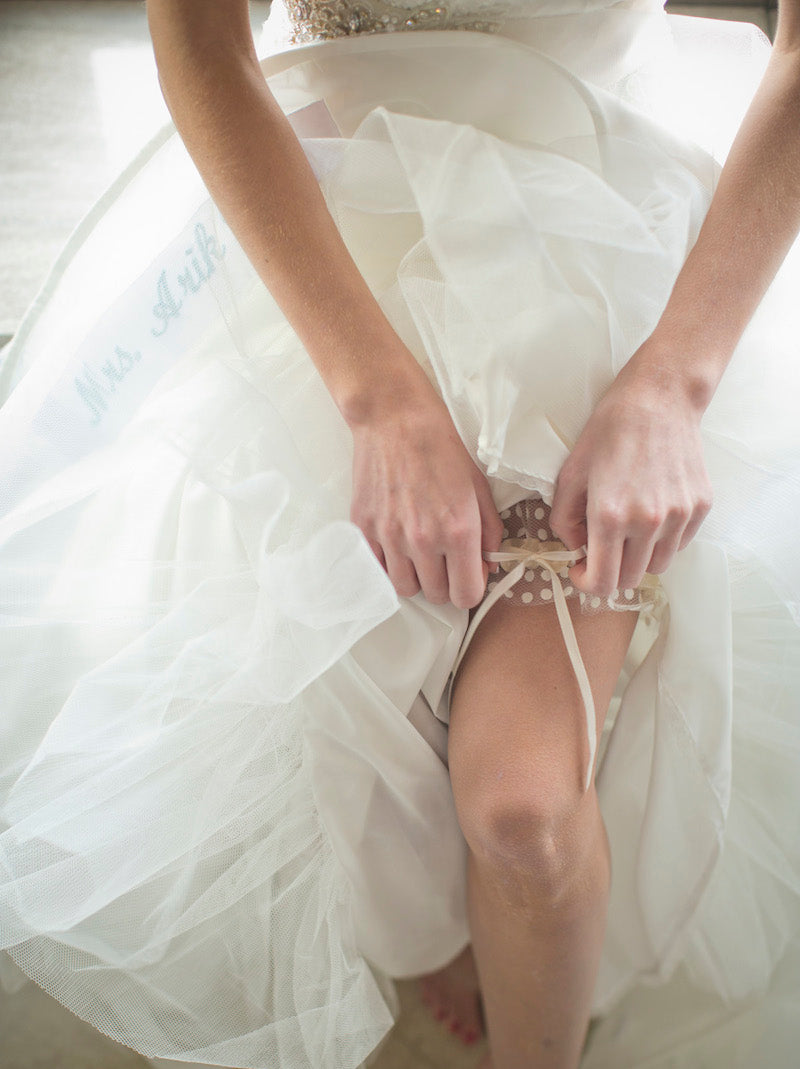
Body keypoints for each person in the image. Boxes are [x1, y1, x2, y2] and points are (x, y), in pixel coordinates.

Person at [1, 1, 799, 1068]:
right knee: (349, 699)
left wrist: (672, 381)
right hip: (329, 230)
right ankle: (448, 922)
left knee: (520, 808)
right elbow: (198, 42)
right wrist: (379, 400)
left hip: (593, 232)